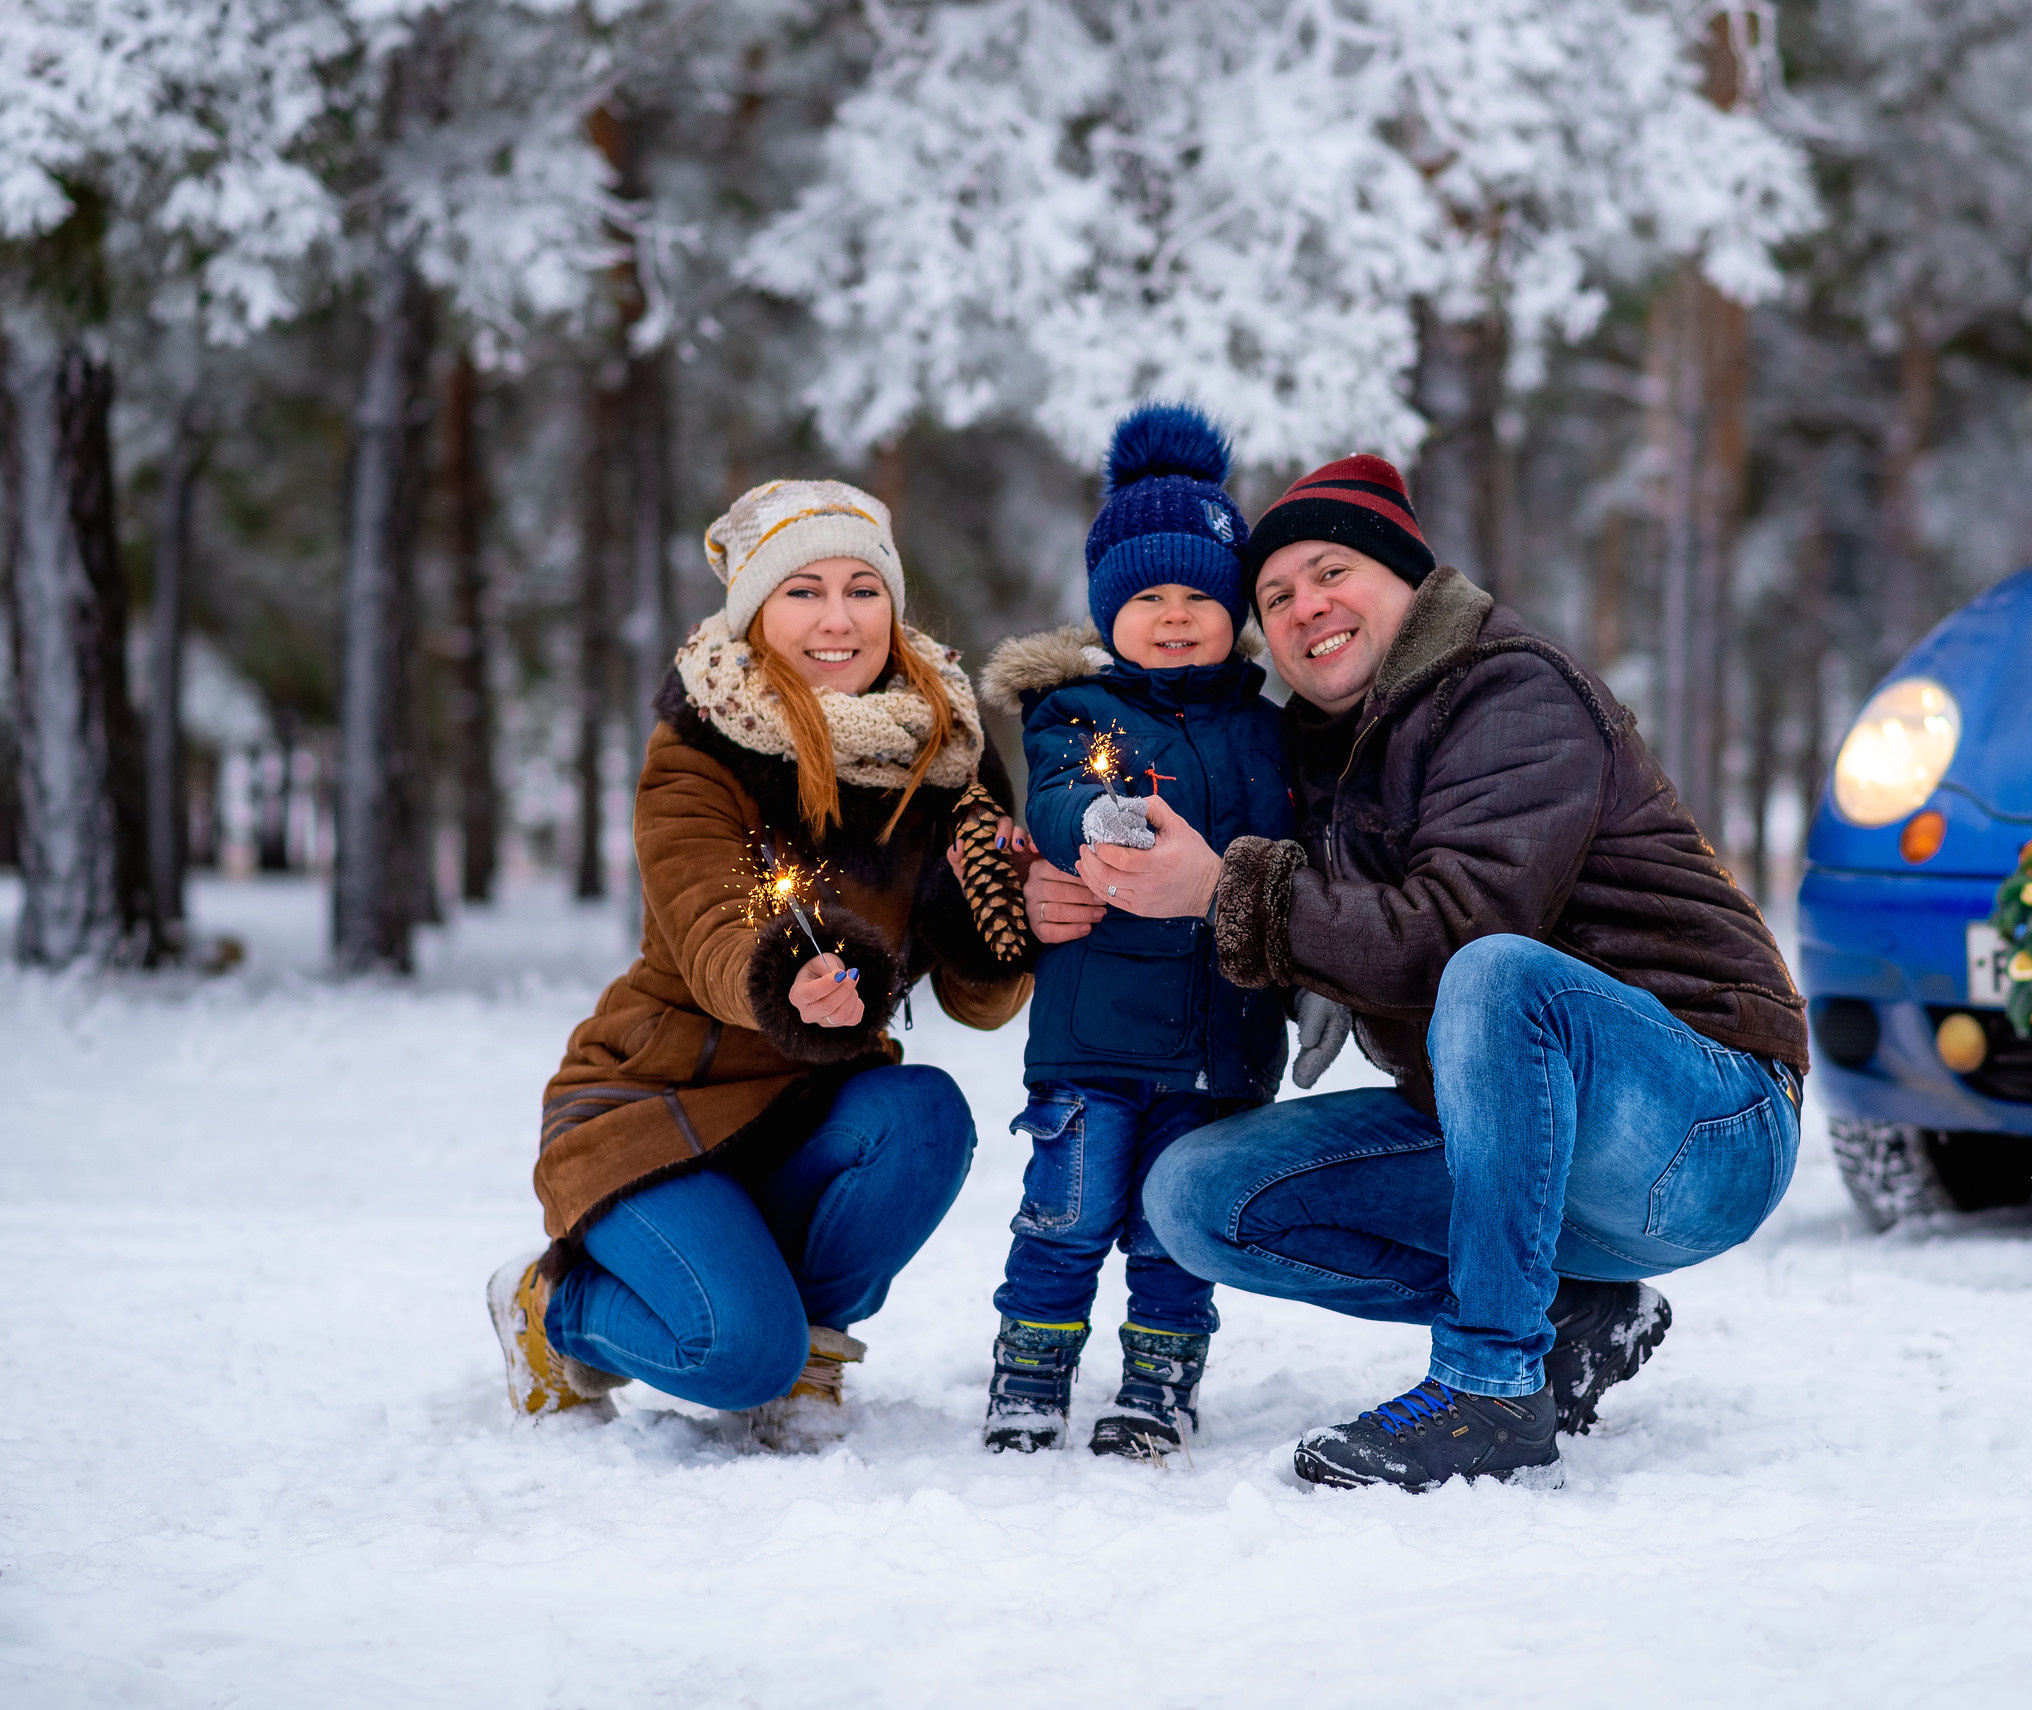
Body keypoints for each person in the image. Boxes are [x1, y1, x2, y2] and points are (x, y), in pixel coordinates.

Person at [1027, 454, 1809, 1490]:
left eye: (1331, 571)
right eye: (1275, 596)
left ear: (1408, 578)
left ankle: (1489, 1385)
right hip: (1525, 1149)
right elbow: (1195, 845)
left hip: (1705, 1120)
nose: (1306, 606)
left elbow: (1451, 932)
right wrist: (1045, 873)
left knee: (1495, 973)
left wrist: (1231, 893)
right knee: (1196, 1195)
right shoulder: (1323, 750)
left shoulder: (1507, 686)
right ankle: (1569, 1311)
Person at [488, 479, 1034, 1440]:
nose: (837, 618)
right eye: (803, 591)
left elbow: (978, 1002)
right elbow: (707, 925)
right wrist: (782, 978)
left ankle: (810, 1345)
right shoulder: (700, 747)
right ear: (755, 612)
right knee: (735, 1357)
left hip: (810, 1112)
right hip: (654, 1112)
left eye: (862, 590)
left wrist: (999, 924)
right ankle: (552, 1308)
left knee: (925, 1116)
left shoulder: (945, 753)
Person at [970, 404, 1298, 1458]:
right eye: (1147, 596)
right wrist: (1093, 824)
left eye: (1198, 595)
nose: (1172, 616)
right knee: (1065, 1218)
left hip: (1220, 1044)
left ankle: (1157, 1384)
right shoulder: (1075, 715)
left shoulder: (1269, 728)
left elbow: (1304, 851)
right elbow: (1056, 803)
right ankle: (1030, 1374)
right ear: (1108, 609)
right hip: (1095, 1046)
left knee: (1171, 1237)